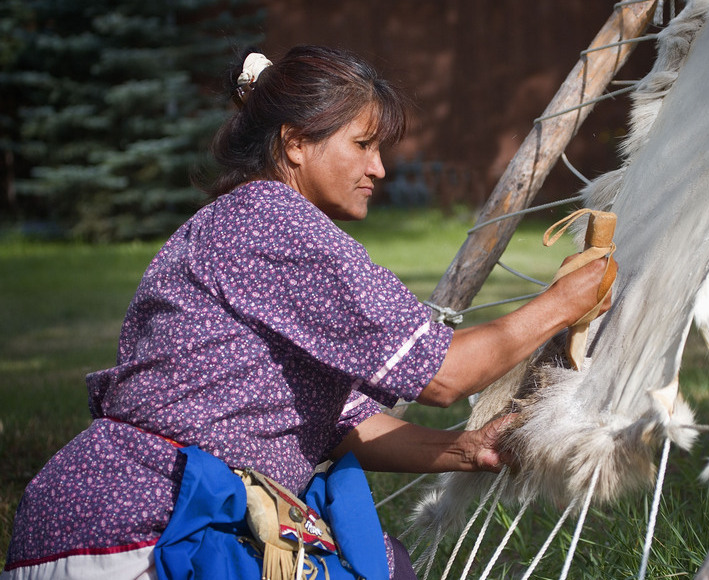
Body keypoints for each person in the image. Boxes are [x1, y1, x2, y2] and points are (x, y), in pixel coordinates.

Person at [1, 46, 616, 580]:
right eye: (363, 145)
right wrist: (562, 304)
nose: (379, 167)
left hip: (87, 529)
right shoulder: (274, 221)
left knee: (387, 562)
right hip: (143, 535)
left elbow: (341, 424)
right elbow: (445, 375)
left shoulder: (240, 224)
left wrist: (462, 449)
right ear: (294, 143)